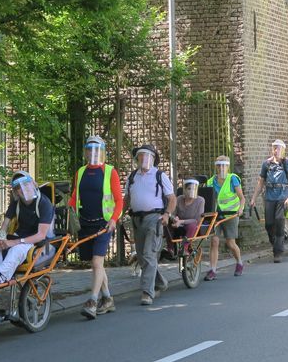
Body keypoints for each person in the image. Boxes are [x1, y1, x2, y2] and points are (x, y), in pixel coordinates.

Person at [68, 136, 123, 319]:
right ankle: (107, 299)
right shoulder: (81, 172)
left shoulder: (110, 172)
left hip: (104, 224)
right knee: (95, 264)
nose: (93, 153)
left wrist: (114, 220)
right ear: (86, 151)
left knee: (97, 262)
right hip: (85, 223)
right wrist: (67, 211)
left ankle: (92, 301)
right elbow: (75, 196)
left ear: (102, 152)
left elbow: (118, 200)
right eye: (90, 149)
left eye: (96, 149)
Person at [0, 171, 55, 290]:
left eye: (26, 184)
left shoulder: (44, 203)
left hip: (39, 242)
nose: (23, 189)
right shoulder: (16, 204)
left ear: (33, 184)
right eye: (18, 187)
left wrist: (14, 242)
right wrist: (1, 239)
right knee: (0, 251)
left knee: (16, 250)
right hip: (21, 237)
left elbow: (41, 235)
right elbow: (5, 225)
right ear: (16, 191)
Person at [124, 144, 176, 305]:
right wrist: (118, 215)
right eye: (141, 155)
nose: (144, 158)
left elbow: (172, 198)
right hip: (136, 220)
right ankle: (160, 282)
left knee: (148, 254)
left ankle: (147, 292)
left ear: (153, 159)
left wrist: (167, 214)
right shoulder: (132, 177)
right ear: (137, 158)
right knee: (141, 256)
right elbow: (126, 199)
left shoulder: (160, 175)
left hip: (155, 219)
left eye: (148, 156)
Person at [250, 140, 288, 262]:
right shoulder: (266, 164)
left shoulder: (287, 164)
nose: (276, 151)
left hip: (283, 196)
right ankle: (276, 243)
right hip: (270, 197)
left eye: (279, 148)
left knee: (279, 222)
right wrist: (254, 198)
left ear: (283, 150)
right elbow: (260, 183)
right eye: (275, 148)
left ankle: (278, 252)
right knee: (269, 224)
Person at [205, 156, 246, 279]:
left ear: (228, 166)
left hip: (231, 214)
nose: (222, 168)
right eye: (219, 165)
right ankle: (212, 270)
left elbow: (241, 197)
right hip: (216, 215)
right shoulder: (210, 182)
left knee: (230, 242)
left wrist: (241, 208)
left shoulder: (232, 178)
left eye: (224, 165)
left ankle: (239, 262)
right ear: (216, 167)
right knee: (214, 241)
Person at [164, 179, 204, 257]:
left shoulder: (200, 200)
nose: (191, 191)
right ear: (184, 190)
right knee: (166, 221)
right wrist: (175, 219)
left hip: (192, 224)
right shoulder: (179, 199)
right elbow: (173, 213)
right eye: (189, 189)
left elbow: (197, 220)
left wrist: (181, 222)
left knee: (192, 225)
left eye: (194, 189)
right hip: (178, 223)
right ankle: (170, 248)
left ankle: (184, 248)